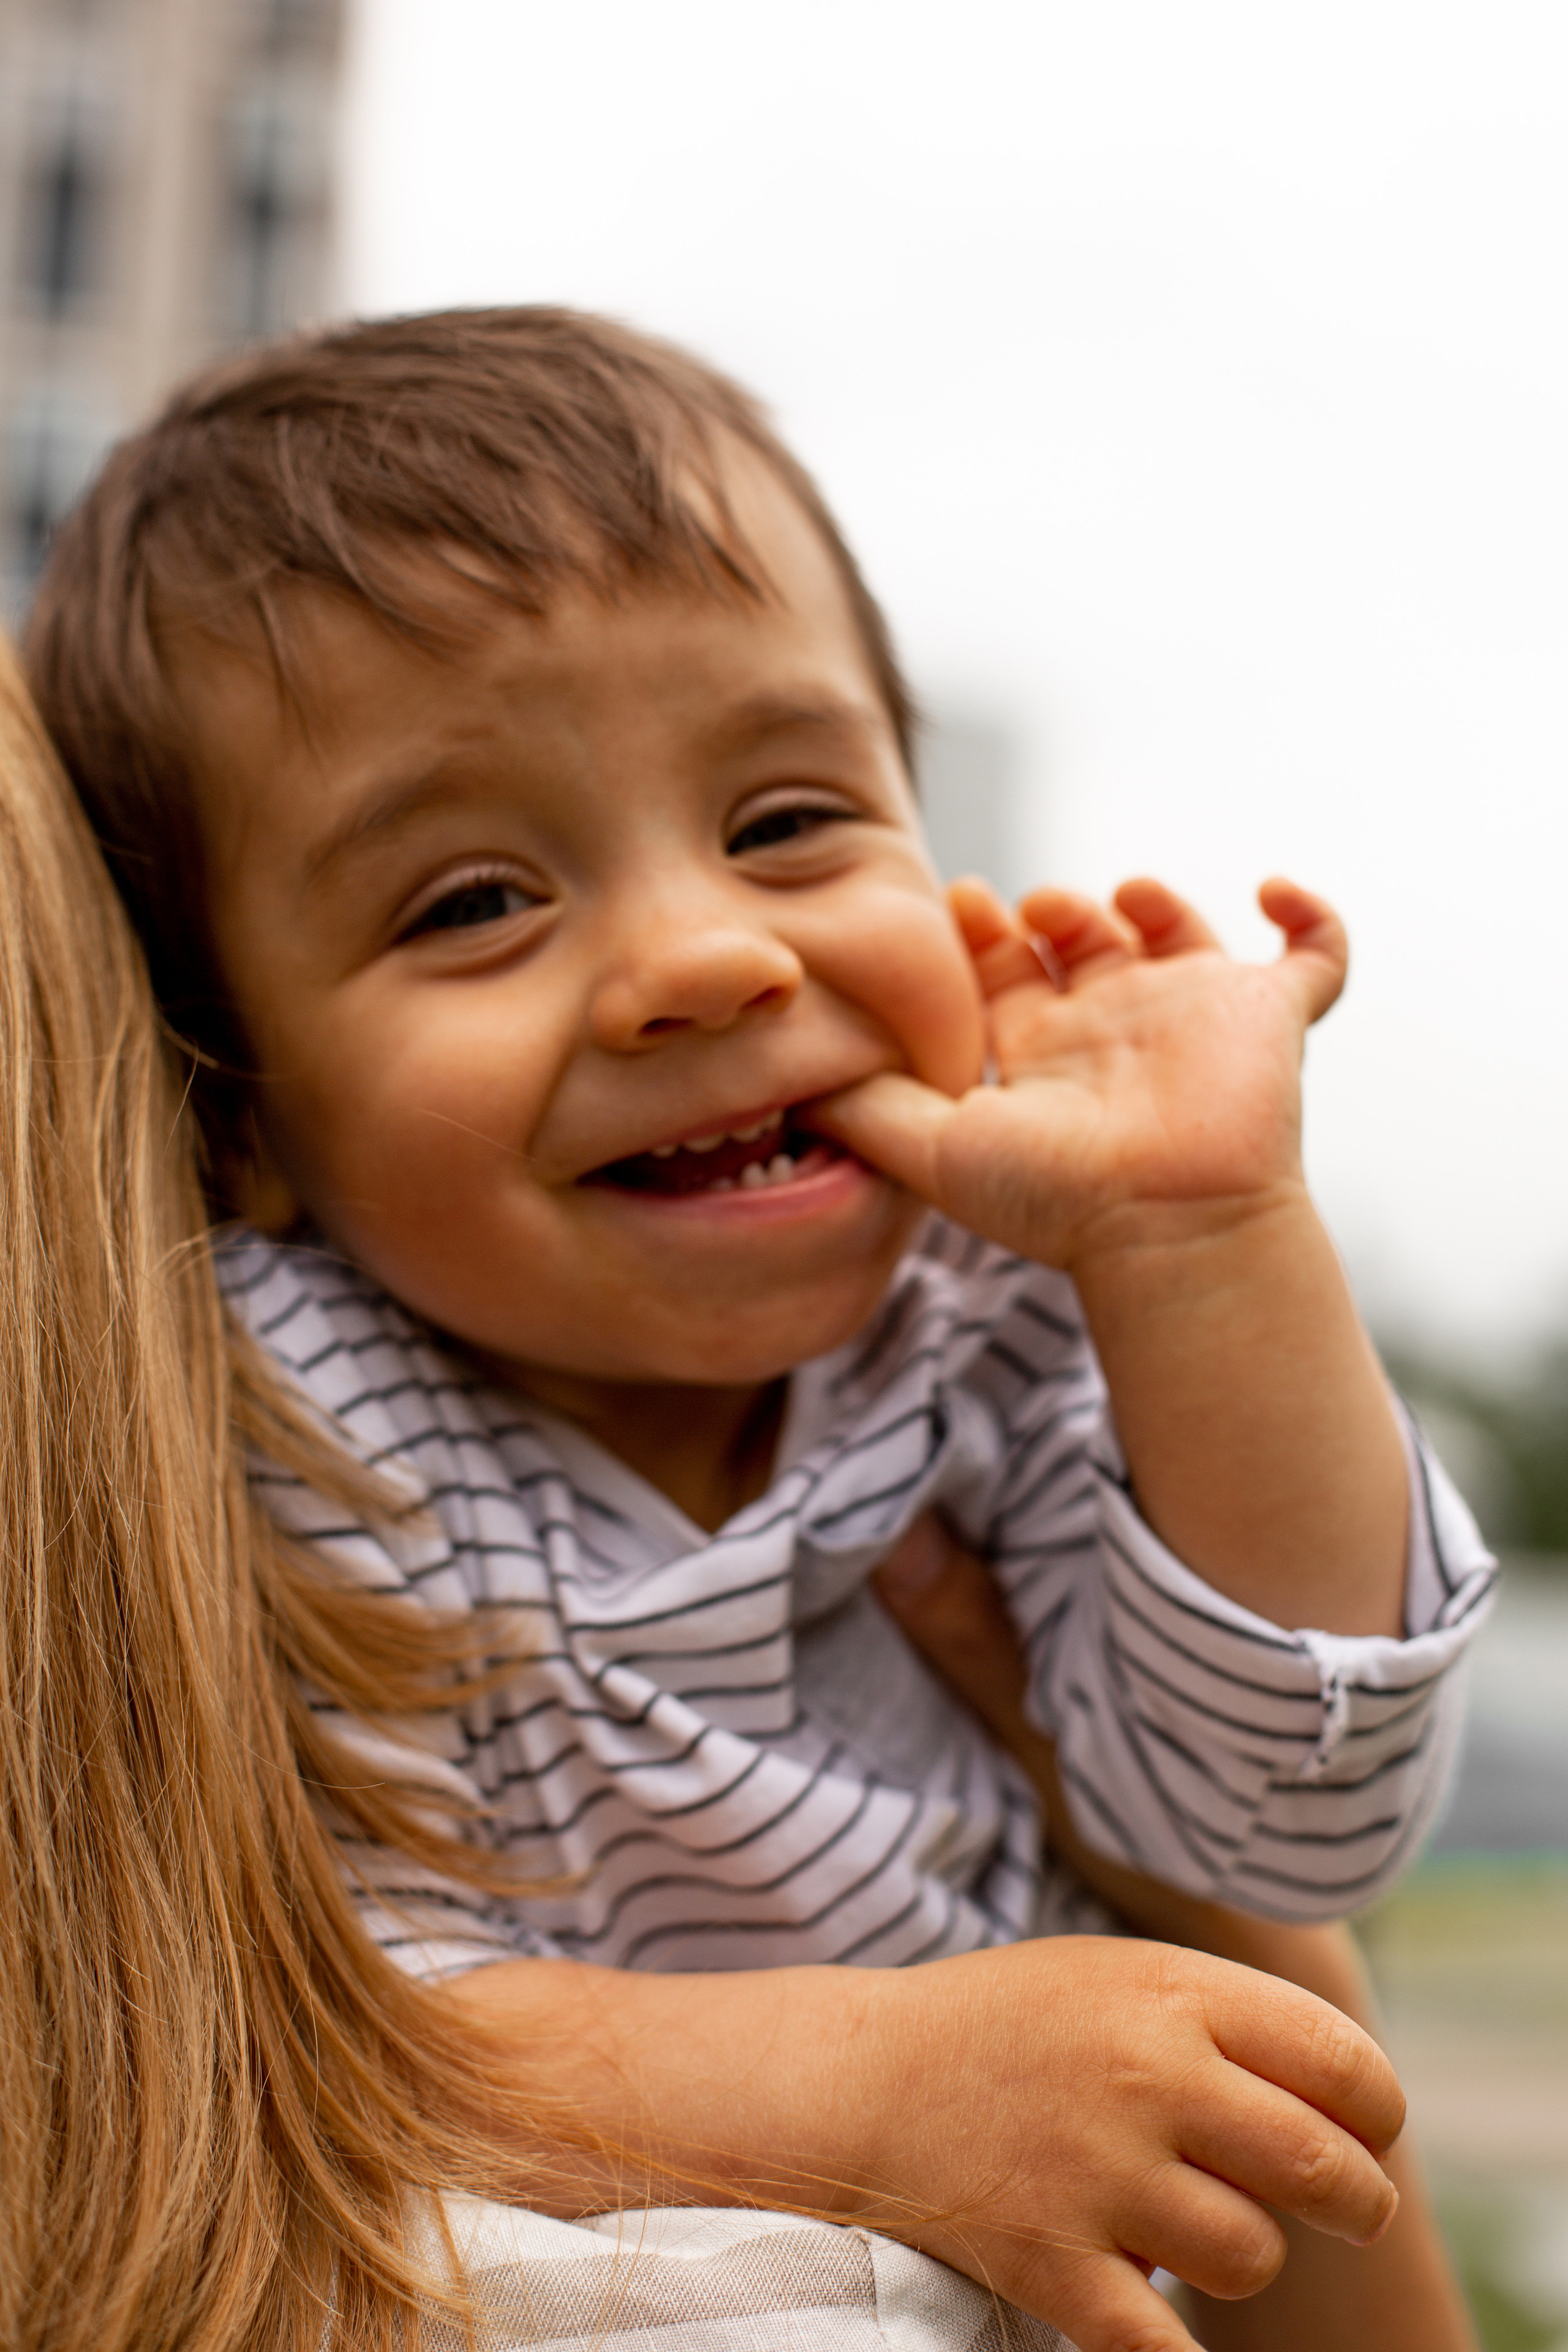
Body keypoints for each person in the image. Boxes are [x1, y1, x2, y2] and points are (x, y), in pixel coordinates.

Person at [25, 308, 1492, 2352]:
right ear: (248, 1115)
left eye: (791, 818)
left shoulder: (996, 1319)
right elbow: (319, 2022)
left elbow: (1282, 1827)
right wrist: (879, 2089)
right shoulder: (290, 1418)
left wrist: (1205, 1242)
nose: (702, 960)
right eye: (470, 902)